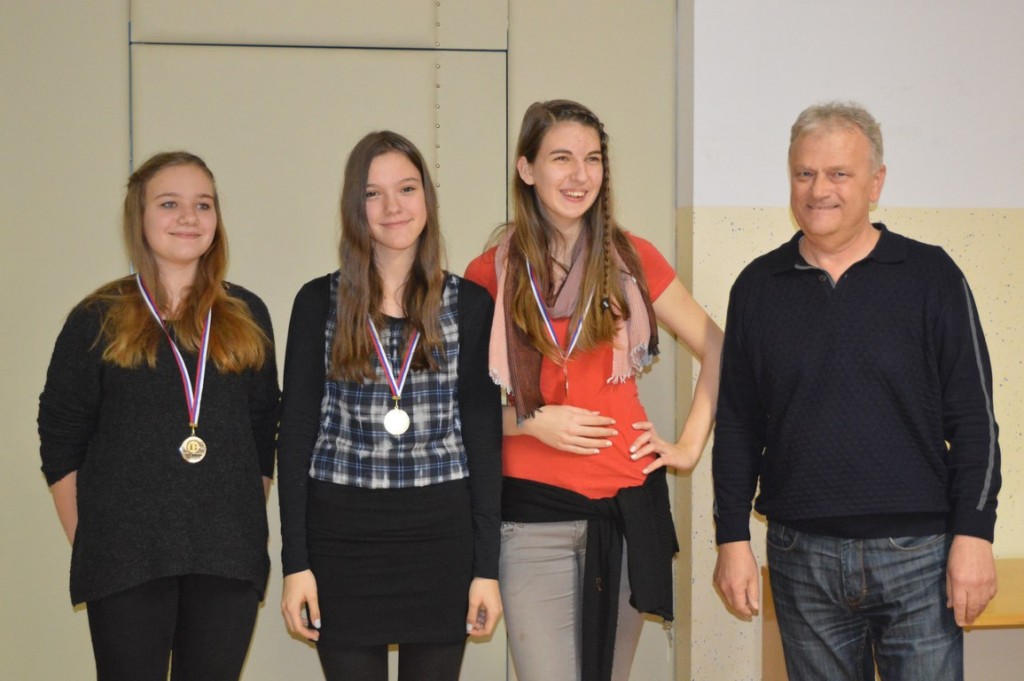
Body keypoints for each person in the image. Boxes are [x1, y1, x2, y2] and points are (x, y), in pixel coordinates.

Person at [711, 101, 1001, 681]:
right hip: (799, 556)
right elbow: (738, 425)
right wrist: (731, 539)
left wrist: (975, 534)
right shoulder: (757, 287)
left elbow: (974, 421)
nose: (819, 190)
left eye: (839, 173)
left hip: (919, 557)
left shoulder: (931, 276)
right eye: (805, 173)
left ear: (876, 183)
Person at [464, 99, 723, 681]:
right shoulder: (489, 272)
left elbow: (720, 348)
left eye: (593, 159)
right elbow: (458, 405)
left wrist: (686, 448)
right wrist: (529, 420)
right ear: (527, 169)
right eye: (561, 158)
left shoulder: (632, 258)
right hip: (531, 517)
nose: (579, 175)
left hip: (627, 510)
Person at [38, 151, 281, 681]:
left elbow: (263, 431)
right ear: (139, 217)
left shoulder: (247, 314)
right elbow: (60, 437)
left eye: (203, 204)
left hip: (226, 557)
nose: (189, 217)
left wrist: (234, 523)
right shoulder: (97, 317)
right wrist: (93, 541)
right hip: (124, 558)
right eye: (169, 204)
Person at [277, 130, 503, 681]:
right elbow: (296, 435)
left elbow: (482, 440)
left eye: (406, 188)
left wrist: (486, 569)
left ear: (427, 197)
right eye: (373, 193)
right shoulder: (318, 301)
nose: (393, 207)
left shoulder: (470, 304)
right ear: (354, 207)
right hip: (340, 543)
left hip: (441, 542)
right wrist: (295, 563)